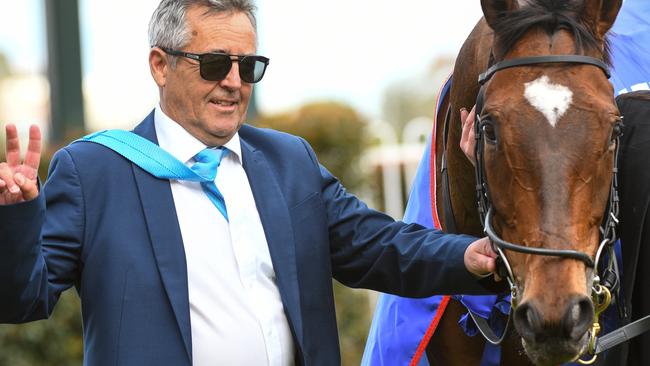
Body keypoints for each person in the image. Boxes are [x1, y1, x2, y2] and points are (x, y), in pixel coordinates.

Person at [0, 1, 502, 365]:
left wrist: (467, 256)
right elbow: (23, 300)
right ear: (160, 65)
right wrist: (17, 217)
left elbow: (376, 246)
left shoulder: (288, 162)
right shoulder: (95, 172)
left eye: (249, 66)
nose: (234, 82)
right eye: (215, 63)